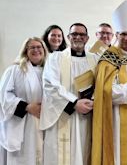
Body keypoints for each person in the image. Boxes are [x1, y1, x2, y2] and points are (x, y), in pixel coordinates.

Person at [39, 23, 98, 165]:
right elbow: (50, 84)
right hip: (63, 115)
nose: (78, 37)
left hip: (87, 116)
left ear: (87, 38)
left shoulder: (95, 59)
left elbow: (101, 84)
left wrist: (93, 100)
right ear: (68, 37)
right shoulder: (55, 58)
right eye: (74, 34)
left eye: (82, 35)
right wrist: (74, 103)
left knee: (85, 153)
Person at [92, 1, 127, 165]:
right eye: (123, 34)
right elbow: (105, 91)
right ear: (116, 35)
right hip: (115, 117)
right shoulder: (107, 59)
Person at [0, 37, 48, 164]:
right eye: (32, 47)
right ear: (25, 51)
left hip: (44, 123)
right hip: (23, 123)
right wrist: (27, 107)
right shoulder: (15, 70)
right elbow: (4, 96)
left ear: (44, 50)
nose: (36, 50)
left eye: (39, 47)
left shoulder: (48, 71)